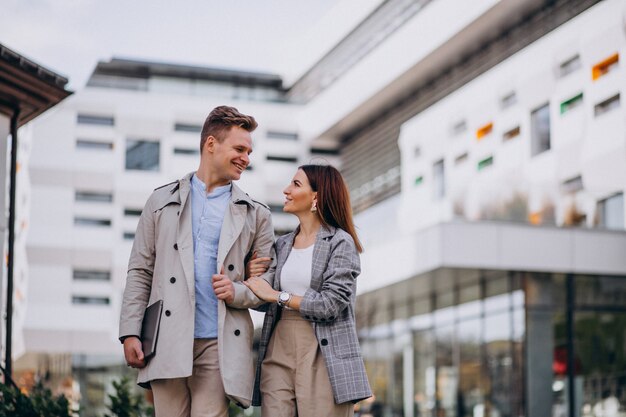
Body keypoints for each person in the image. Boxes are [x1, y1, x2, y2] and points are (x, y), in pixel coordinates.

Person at [118, 105, 276, 417]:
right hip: (166, 339)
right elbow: (140, 270)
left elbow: (266, 289)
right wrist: (130, 331)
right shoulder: (160, 202)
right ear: (211, 144)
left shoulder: (256, 214)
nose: (246, 158)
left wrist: (236, 291)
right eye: (239, 148)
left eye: (249, 151)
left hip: (219, 345)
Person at [244, 164, 372, 417]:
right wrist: (252, 276)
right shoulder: (281, 245)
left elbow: (330, 305)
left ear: (316, 196)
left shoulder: (340, 242)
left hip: (323, 351)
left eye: (296, 184)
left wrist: (277, 295)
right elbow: (262, 300)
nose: (286, 190)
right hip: (278, 347)